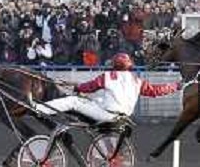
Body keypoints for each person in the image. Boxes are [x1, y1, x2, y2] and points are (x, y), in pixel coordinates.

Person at [32, 52, 180, 130]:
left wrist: (75, 87)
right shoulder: (137, 80)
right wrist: (176, 86)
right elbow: (156, 91)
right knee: (93, 101)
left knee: (73, 101)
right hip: (123, 117)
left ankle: (38, 108)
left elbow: (87, 88)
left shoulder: (107, 76)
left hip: (106, 115)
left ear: (115, 64)